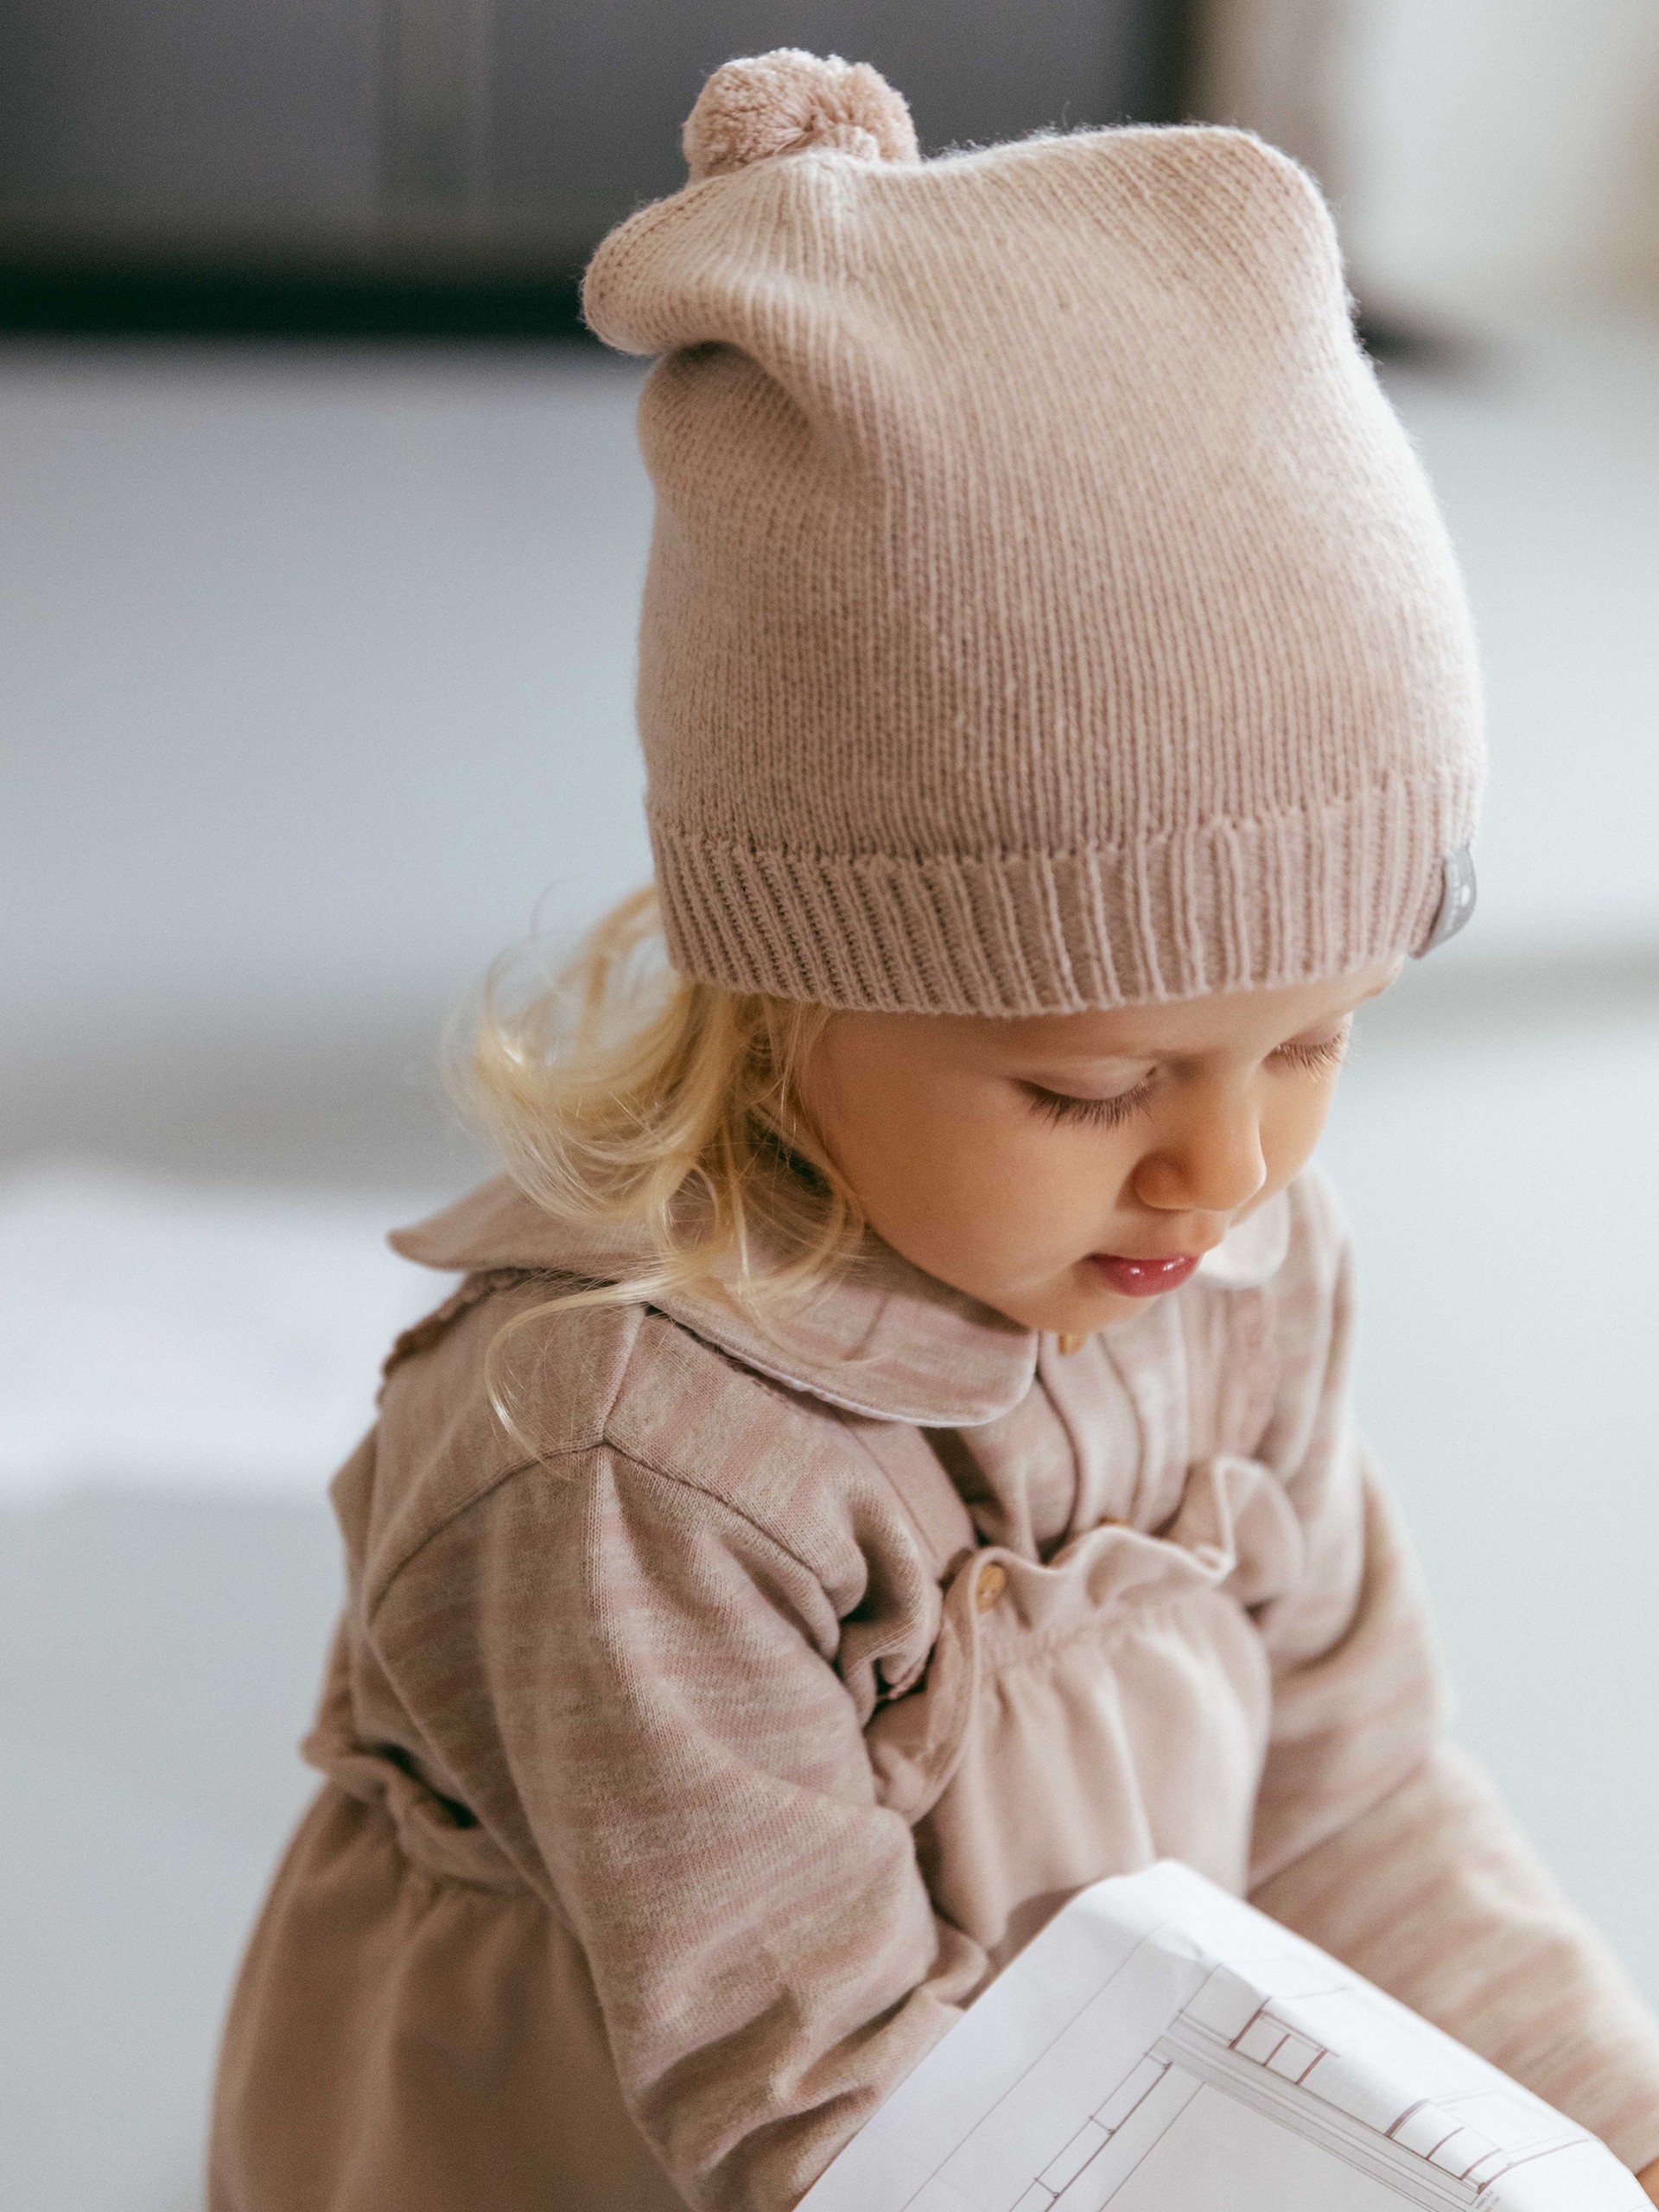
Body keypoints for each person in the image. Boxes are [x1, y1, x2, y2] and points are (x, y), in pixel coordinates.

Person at [207, 49, 1659, 2212]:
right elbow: (821, 2107)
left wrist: (1602, 2128)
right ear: (787, 978)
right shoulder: (628, 1459)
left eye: (1319, 1037)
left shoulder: (1244, 1265)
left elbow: (1355, 1809)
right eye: (1090, 1085)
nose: (1227, 1168)